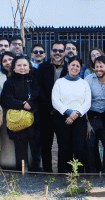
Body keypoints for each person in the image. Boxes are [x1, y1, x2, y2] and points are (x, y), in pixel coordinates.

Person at [1, 55, 41, 172]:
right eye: (19, 65)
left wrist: (30, 104)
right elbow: (6, 99)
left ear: (29, 67)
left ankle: (36, 171)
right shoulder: (9, 82)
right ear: (14, 68)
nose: (22, 67)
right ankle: (22, 173)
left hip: (33, 121)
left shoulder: (33, 80)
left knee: (35, 149)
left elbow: (37, 95)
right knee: (20, 150)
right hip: (17, 121)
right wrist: (23, 105)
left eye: (25, 65)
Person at [52, 56, 92, 173]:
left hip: (79, 119)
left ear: (80, 68)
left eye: (77, 66)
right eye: (73, 65)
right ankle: (64, 174)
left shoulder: (84, 83)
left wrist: (76, 113)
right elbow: (55, 100)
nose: (75, 67)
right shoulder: (59, 82)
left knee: (79, 147)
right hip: (62, 118)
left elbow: (87, 102)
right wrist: (69, 112)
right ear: (68, 66)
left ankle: (79, 174)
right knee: (64, 148)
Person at [34, 41, 67, 172]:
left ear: (64, 52)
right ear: (51, 52)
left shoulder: (68, 67)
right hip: (46, 112)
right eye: (55, 50)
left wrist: (59, 107)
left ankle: (62, 171)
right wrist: (51, 106)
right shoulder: (42, 67)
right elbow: (39, 88)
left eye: (60, 50)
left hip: (63, 112)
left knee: (63, 144)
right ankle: (47, 172)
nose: (57, 53)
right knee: (46, 144)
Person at [85, 55, 105, 173]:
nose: (98, 69)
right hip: (91, 114)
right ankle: (92, 170)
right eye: (96, 66)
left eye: (101, 67)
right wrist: (87, 123)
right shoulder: (88, 79)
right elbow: (84, 102)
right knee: (90, 143)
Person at [0, 51, 16, 168]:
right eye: (4, 61)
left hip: (19, 114)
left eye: (10, 59)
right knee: (5, 142)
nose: (7, 63)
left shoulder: (22, 76)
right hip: (3, 113)